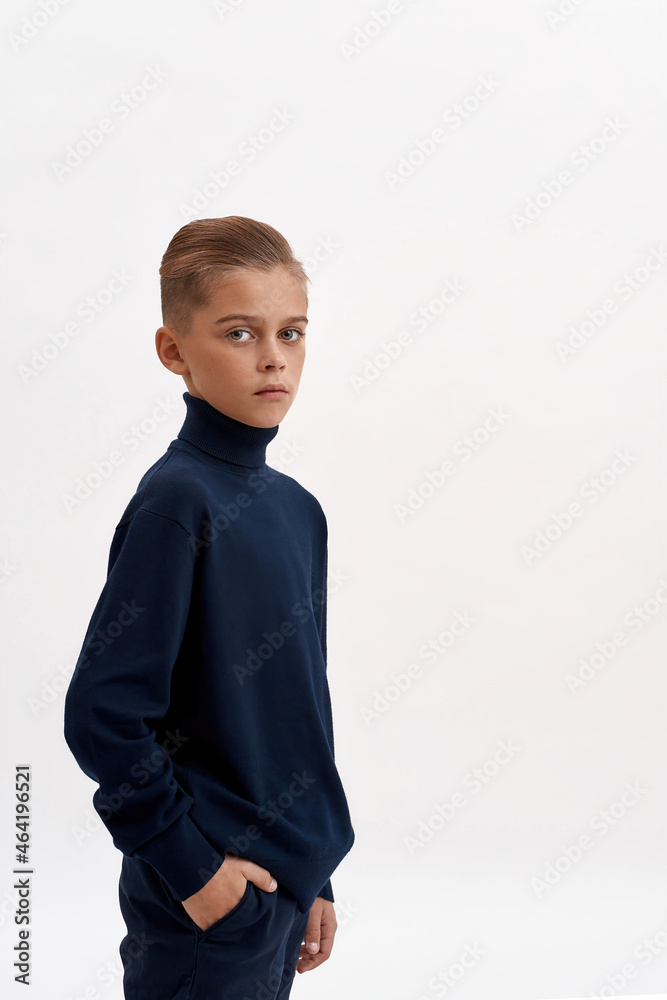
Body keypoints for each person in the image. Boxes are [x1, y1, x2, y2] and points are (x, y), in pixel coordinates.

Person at [63, 216, 355, 999]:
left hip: (277, 894)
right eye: (238, 332)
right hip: (206, 901)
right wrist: (195, 874)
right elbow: (102, 714)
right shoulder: (175, 502)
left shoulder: (298, 510)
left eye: (291, 333)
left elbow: (297, 714)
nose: (272, 357)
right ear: (174, 352)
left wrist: (313, 869)